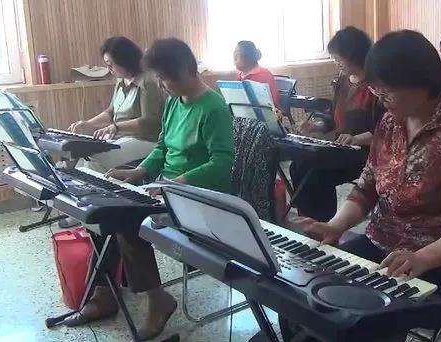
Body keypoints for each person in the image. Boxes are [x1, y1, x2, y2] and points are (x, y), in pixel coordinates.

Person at [291, 30, 441, 340]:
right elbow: (366, 187)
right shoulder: (389, 123)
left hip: (439, 260)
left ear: (420, 84)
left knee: (360, 324)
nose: (378, 96)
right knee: (305, 298)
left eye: (385, 89)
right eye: (375, 87)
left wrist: (423, 258)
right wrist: (335, 226)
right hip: (381, 244)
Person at [64, 38, 234, 340]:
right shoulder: (174, 102)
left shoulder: (214, 107)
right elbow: (162, 147)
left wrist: (177, 183)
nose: (162, 85)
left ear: (187, 71)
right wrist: (139, 171)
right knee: (102, 214)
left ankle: (156, 299)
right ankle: (104, 292)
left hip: (198, 197)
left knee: (125, 222)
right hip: (167, 190)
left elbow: (222, 163)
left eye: (165, 78)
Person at [289, 26, 384, 222]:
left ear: (354, 56)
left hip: (364, 152)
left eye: (339, 59)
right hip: (341, 148)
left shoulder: (377, 86)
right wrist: (316, 125)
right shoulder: (343, 80)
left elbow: (385, 130)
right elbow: (333, 116)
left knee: (316, 174)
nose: (336, 62)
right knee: (297, 165)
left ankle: (323, 226)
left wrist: (355, 138)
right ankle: (308, 221)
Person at [68, 36, 164, 172]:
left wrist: (116, 127)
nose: (109, 69)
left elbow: (149, 121)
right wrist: (88, 124)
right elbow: (110, 112)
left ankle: (98, 186)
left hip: (145, 140)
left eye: (111, 65)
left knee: (96, 159)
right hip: (120, 136)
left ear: (124, 61)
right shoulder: (121, 82)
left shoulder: (147, 82)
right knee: (84, 155)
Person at [234, 40, 280, 108]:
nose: (234, 58)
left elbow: (273, 103)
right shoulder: (240, 76)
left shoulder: (265, 75)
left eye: (237, 54)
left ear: (247, 57)